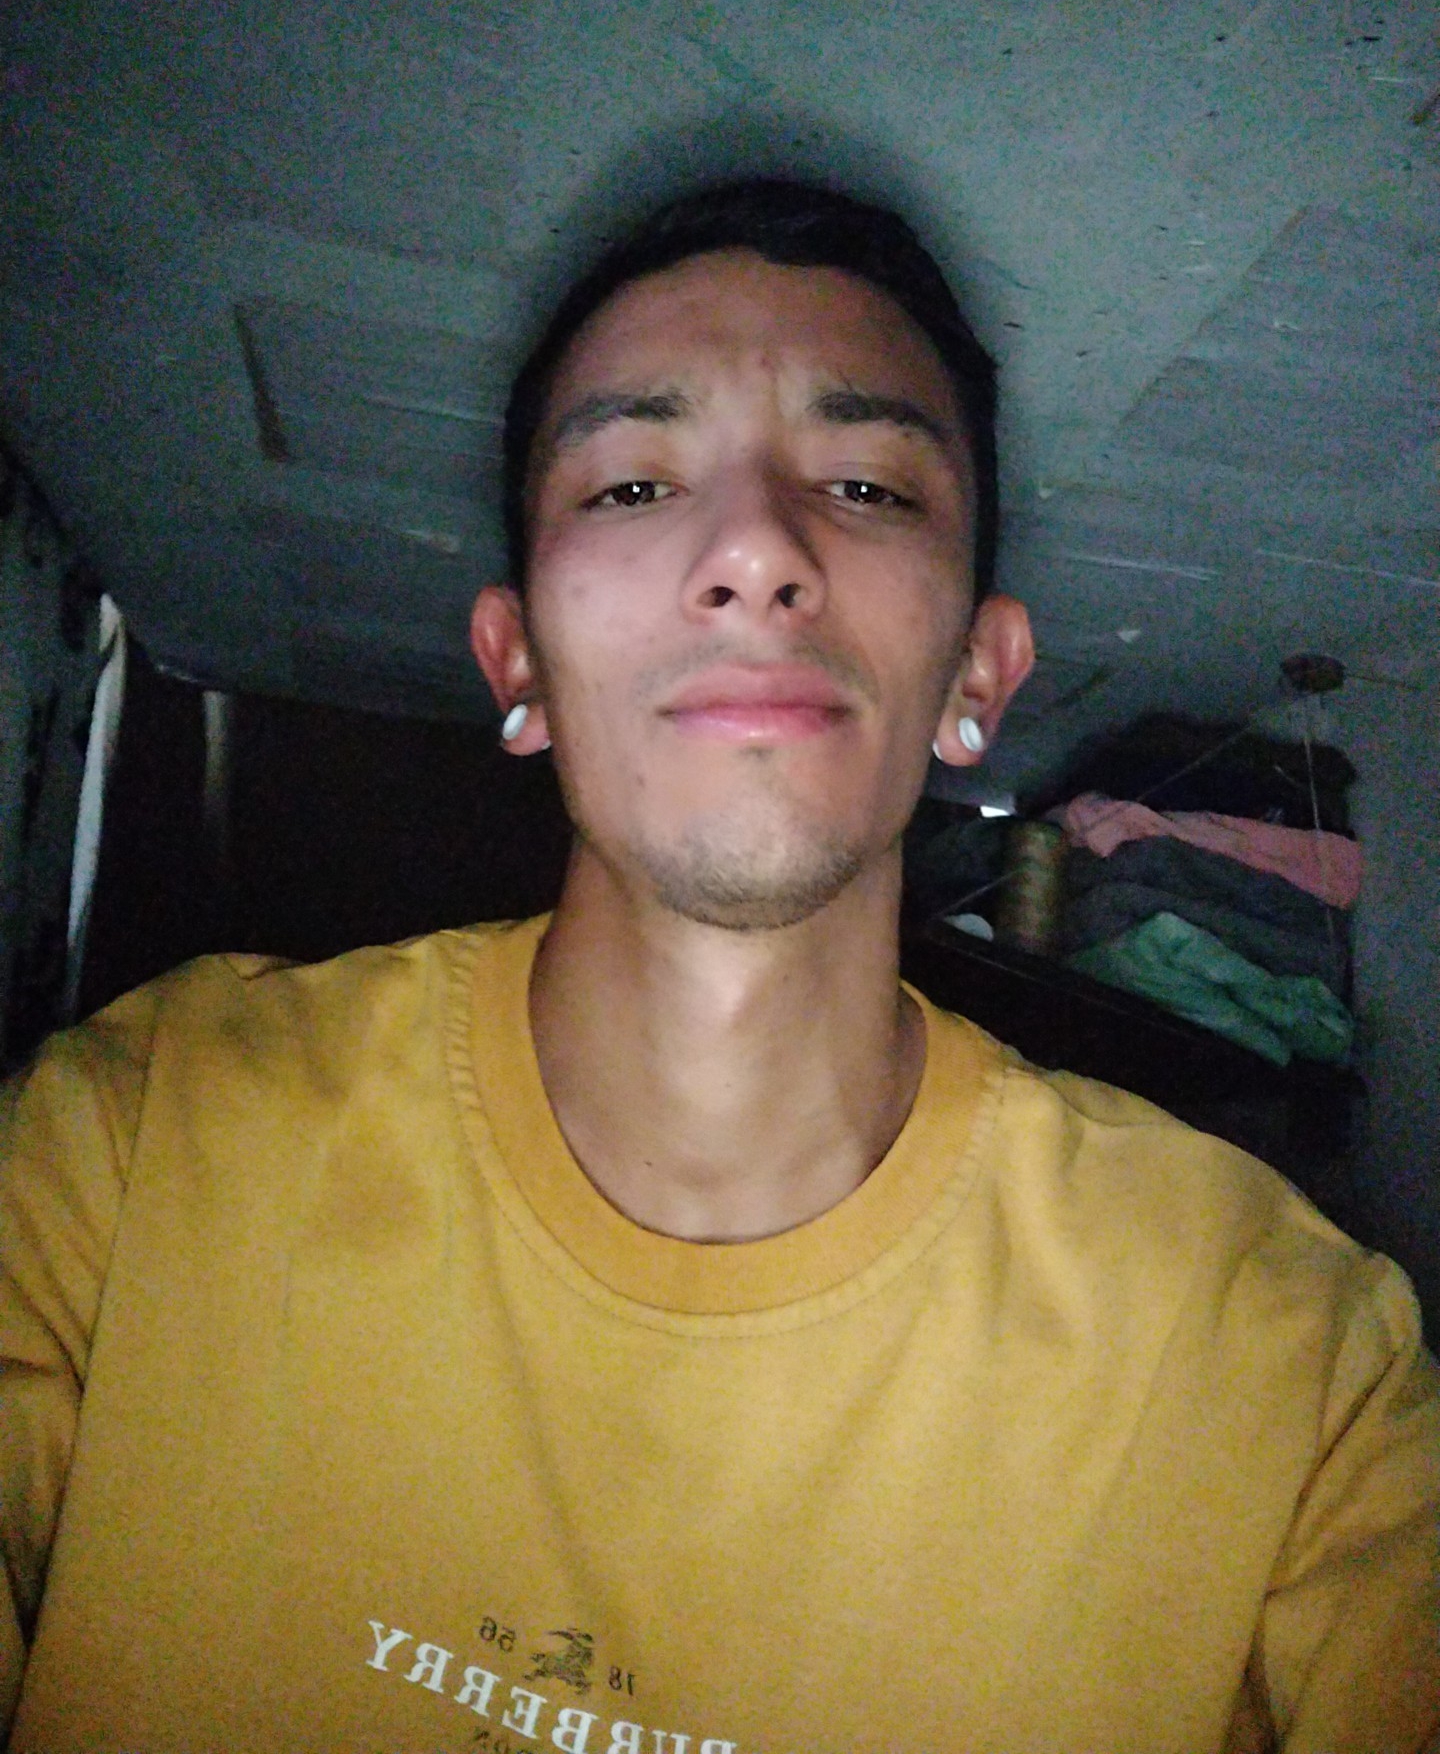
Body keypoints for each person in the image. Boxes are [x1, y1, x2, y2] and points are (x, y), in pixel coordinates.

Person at [2, 178, 1437, 1753]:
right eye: (632, 485)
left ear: (979, 676)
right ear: (518, 663)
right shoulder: (128, 1148)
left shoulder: (1285, 1367)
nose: (756, 549)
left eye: (867, 486)